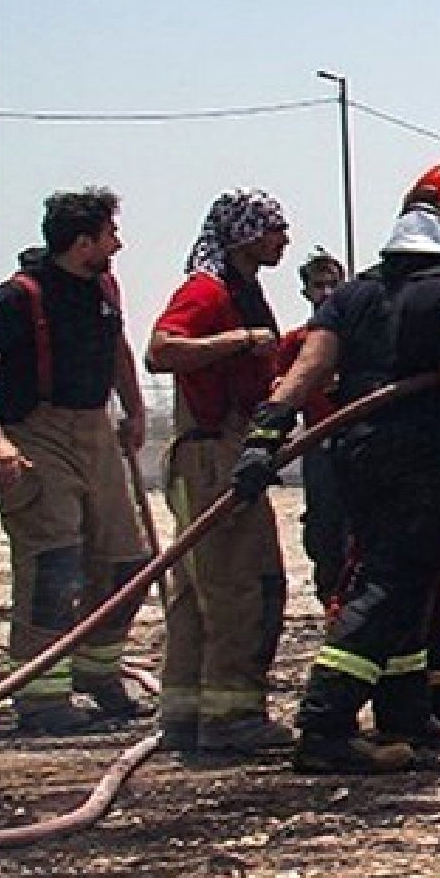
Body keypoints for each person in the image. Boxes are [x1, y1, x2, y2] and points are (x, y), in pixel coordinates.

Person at [238, 163, 440, 774]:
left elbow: (311, 361)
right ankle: (325, 722)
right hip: (420, 455)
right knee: (390, 586)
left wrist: (267, 429)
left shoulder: (357, 292)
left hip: (355, 453)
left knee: (401, 584)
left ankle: (403, 717)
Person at [0, 188, 154, 735]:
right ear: (83, 242)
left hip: (95, 433)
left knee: (128, 563)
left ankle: (98, 674)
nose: (119, 244)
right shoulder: (16, 299)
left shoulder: (103, 288)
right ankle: (40, 698)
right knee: (55, 565)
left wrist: (133, 410)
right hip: (35, 435)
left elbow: (118, 349)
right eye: (110, 234)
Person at [145, 188, 294, 755]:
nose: (284, 238)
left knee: (198, 591)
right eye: (274, 227)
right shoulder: (208, 292)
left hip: (215, 453)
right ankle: (233, 717)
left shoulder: (241, 289)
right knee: (241, 584)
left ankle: (185, 710)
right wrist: (242, 341)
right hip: (213, 455)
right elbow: (161, 350)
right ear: (244, 233)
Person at [276, 249, 350, 608]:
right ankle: (329, 598)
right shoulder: (295, 342)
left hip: (359, 443)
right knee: (324, 528)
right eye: (318, 285)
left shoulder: (361, 336)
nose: (326, 291)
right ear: (306, 291)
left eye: (333, 283)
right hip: (319, 446)